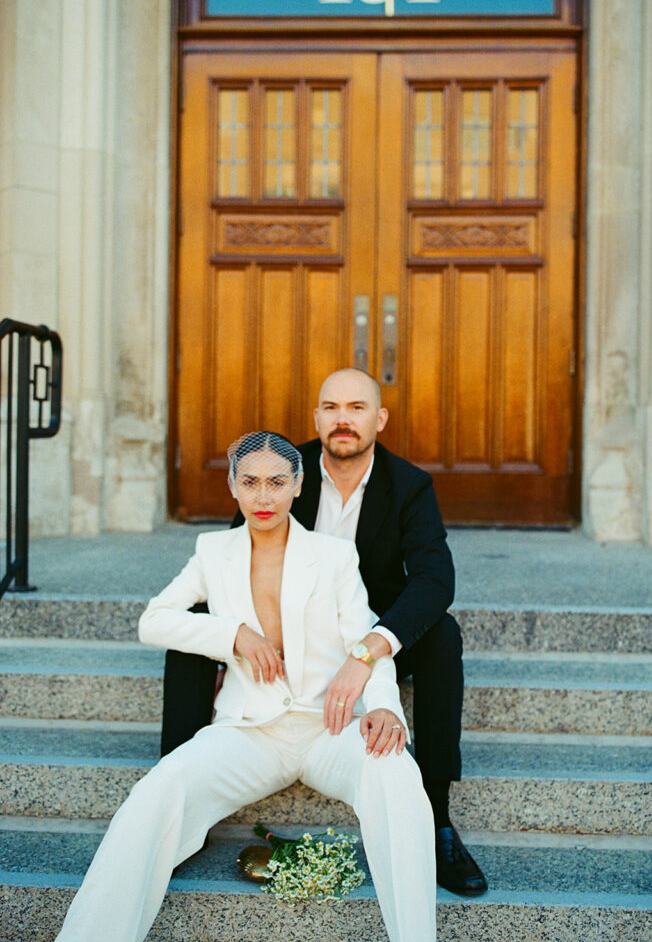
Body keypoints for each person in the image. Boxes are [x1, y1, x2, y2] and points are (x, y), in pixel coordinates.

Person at [55, 431, 436, 942]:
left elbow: (366, 638)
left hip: (331, 726)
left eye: (277, 482)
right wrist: (231, 633)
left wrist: (386, 706)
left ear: (299, 486)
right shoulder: (213, 551)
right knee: (157, 789)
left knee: (398, 775)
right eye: (250, 482)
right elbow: (154, 621)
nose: (263, 497)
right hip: (249, 733)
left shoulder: (334, 556)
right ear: (233, 486)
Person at [162, 370, 487, 897]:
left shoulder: (408, 485)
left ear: (378, 420)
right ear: (316, 418)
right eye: (331, 407)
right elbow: (231, 558)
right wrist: (235, 638)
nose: (343, 419)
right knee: (192, 632)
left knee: (442, 636)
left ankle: (436, 821)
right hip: (282, 640)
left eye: (357, 408)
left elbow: (435, 579)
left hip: (366, 634)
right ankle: (175, 811)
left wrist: (370, 650)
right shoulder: (280, 471)